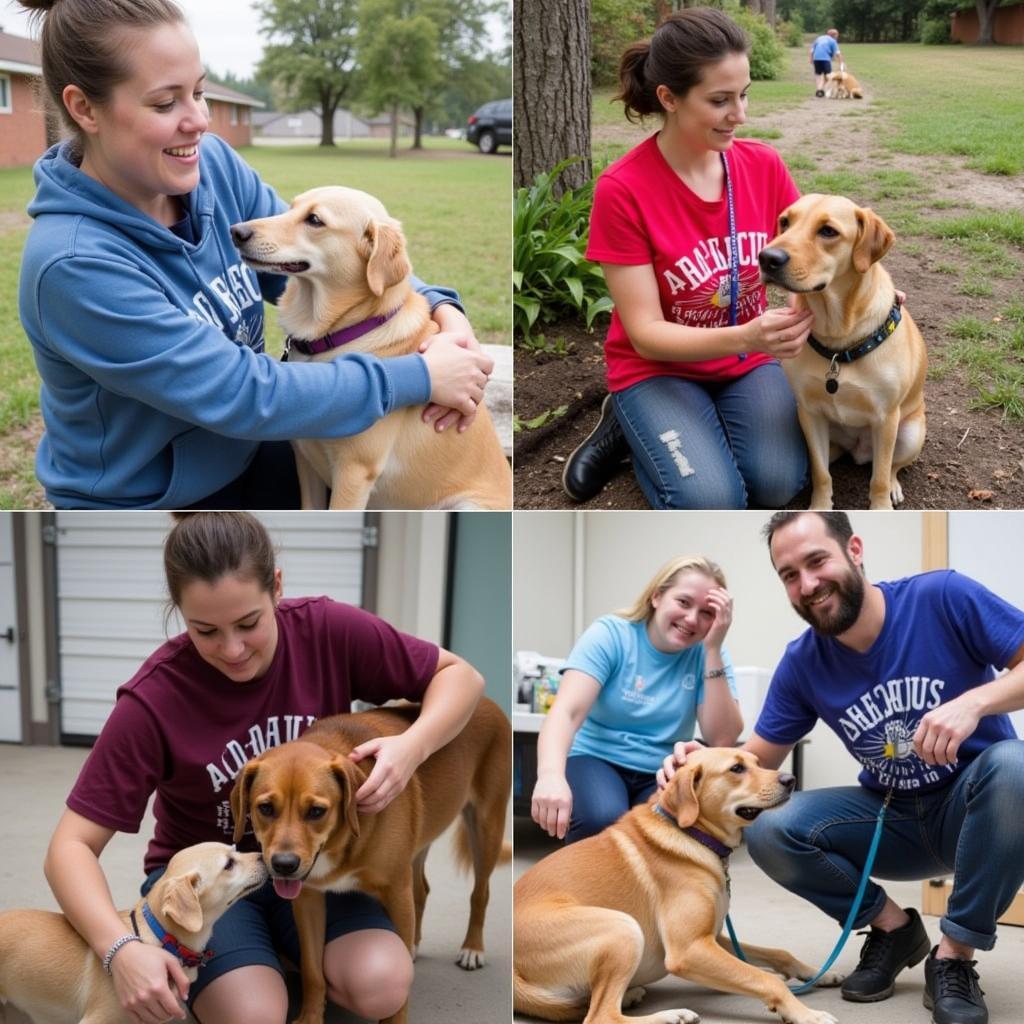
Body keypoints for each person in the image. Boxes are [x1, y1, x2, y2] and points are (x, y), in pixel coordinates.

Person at [17, 0, 493, 510]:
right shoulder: (73, 266)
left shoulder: (211, 167)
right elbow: (244, 394)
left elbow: (329, 263)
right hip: (152, 500)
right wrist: (422, 376)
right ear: (85, 108)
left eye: (198, 92)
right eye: (165, 104)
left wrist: (442, 311)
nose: (199, 120)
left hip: (249, 447)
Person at [43, 511, 487, 1024]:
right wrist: (118, 948)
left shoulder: (326, 629)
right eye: (205, 630)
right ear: (179, 612)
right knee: (252, 1015)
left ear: (276, 587)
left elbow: (463, 677)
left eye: (249, 623)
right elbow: (68, 849)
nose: (232, 650)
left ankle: (278, 954)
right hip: (207, 888)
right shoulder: (154, 699)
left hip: (316, 870)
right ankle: (260, 958)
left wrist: (411, 748)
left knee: (380, 985)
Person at [660, 511, 1024, 1024]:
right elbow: (755, 762)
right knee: (771, 822)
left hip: (975, 812)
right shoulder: (803, 662)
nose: (807, 584)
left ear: (854, 549)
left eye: (816, 561)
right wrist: (696, 760)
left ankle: (954, 958)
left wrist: (975, 703)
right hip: (890, 819)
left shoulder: (942, 597)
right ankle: (894, 930)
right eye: (790, 575)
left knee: (1015, 766)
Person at [560, 7, 812, 510]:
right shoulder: (624, 190)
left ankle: (683, 429)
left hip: (749, 363)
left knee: (779, 485)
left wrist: (867, 288)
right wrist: (745, 334)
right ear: (669, 98)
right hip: (659, 369)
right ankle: (627, 422)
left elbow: (809, 255)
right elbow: (646, 332)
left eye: (743, 95)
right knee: (713, 501)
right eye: (720, 100)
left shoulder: (763, 165)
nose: (740, 115)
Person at [531, 554, 743, 843]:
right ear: (657, 597)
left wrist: (713, 651)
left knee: (681, 827)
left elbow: (722, 739)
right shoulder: (611, 634)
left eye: (707, 613)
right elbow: (565, 713)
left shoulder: (710, 654)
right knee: (603, 819)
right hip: (596, 758)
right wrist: (550, 775)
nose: (692, 619)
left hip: (662, 770)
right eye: (683, 602)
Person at [810, 29, 842, 98]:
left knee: (818, 75)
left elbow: (812, 50)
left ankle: (819, 90)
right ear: (834, 35)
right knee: (828, 76)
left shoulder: (819, 38)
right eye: (837, 35)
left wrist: (811, 59)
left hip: (816, 58)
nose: (837, 37)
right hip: (825, 59)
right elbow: (838, 53)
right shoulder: (833, 41)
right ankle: (822, 90)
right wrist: (841, 63)